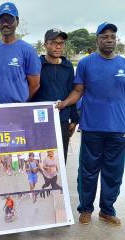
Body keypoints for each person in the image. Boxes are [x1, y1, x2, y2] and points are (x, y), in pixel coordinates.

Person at [57, 22, 125, 226]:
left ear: (116, 40)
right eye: (104, 36)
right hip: (91, 127)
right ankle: (85, 209)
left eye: (112, 36)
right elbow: (78, 91)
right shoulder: (86, 63)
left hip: (118, 129)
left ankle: (107, 209)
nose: (109, 40)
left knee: (113, 173)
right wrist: (64, 104)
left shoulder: (123, 64)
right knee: (87, 171)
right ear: (97, 40)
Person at [32, 28, 79, 163]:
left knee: (60, 160)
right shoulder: (37, 64)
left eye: (61, 43)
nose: (58, 46)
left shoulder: (68, 66)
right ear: (45, 44)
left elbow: (72, 91)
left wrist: (74, 118)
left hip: (62, 120)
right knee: (42, 157)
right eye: (53, 42)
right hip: (40, 121)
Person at [0, 2, 40, 104]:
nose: (5, 24)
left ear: (17, 21)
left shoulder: (28, 50)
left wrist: (21, 103)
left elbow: (34, 85)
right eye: (2, 20)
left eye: (9, 20)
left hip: (18, 110)